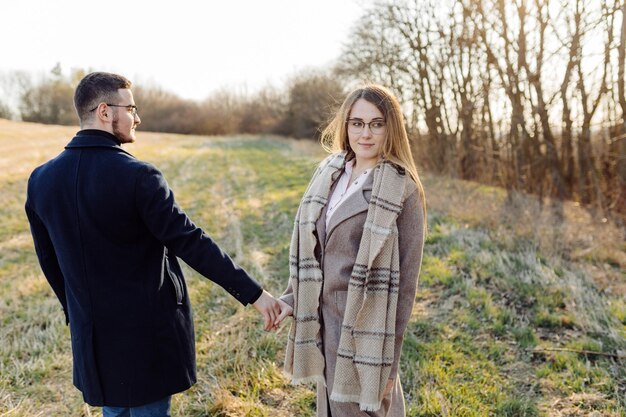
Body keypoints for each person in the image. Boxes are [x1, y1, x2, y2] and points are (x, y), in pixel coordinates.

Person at [25, 72, 283, 416]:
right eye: (130, 108)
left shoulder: (41, 179)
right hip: (145, 341)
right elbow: (191, 242)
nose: (137, 118)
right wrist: (255, 294)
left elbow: (49, 261)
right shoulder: (138, 176)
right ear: (105, 111)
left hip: (93, 341)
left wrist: (76, 312)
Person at [275, 84, 426, 416]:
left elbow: (406, 288)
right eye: (357, 123)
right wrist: (290, 299)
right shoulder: (329, 173)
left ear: (392, 128)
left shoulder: (402, 190)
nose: (366, 133)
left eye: (377, 123)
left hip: (363, 330)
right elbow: (311, 248)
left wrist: (389, 362)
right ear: (345, 125)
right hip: (322, 320)